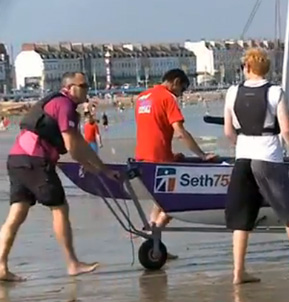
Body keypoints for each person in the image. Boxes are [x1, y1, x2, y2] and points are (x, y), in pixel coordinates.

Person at [0, 72, 120, 281]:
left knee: (17, 213)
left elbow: (79, 142)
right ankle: (72, 263)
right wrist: (88, 167)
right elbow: (71, 146)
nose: (87, 89)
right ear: (70, 87)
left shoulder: (57, 102)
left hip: (17, 159)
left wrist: (102, 167)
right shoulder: (64, 106)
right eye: (83, 85)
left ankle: (1, 266)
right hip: (35, 161)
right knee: (59, 208)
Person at [223, 47, 289, 284]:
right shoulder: (275, 92)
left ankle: (238, 272)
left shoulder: (232, 91)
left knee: (242, 219)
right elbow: (287, 130)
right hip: (268, 157)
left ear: (247, 67)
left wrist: (244, 144)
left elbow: (228, 132)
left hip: (243, 158)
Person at [134, 68, 217, 260]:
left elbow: (153, 129)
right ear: (176, 82)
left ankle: (153, 244)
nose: (181, 95)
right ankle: (152, 241)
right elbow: (179, 131)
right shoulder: (167, 97)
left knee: (159, 202)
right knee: (173, 204)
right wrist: (202, 155)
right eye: (183, 89)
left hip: (143, 157)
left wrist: (171, 155)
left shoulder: (142, 97)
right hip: (159, 160)